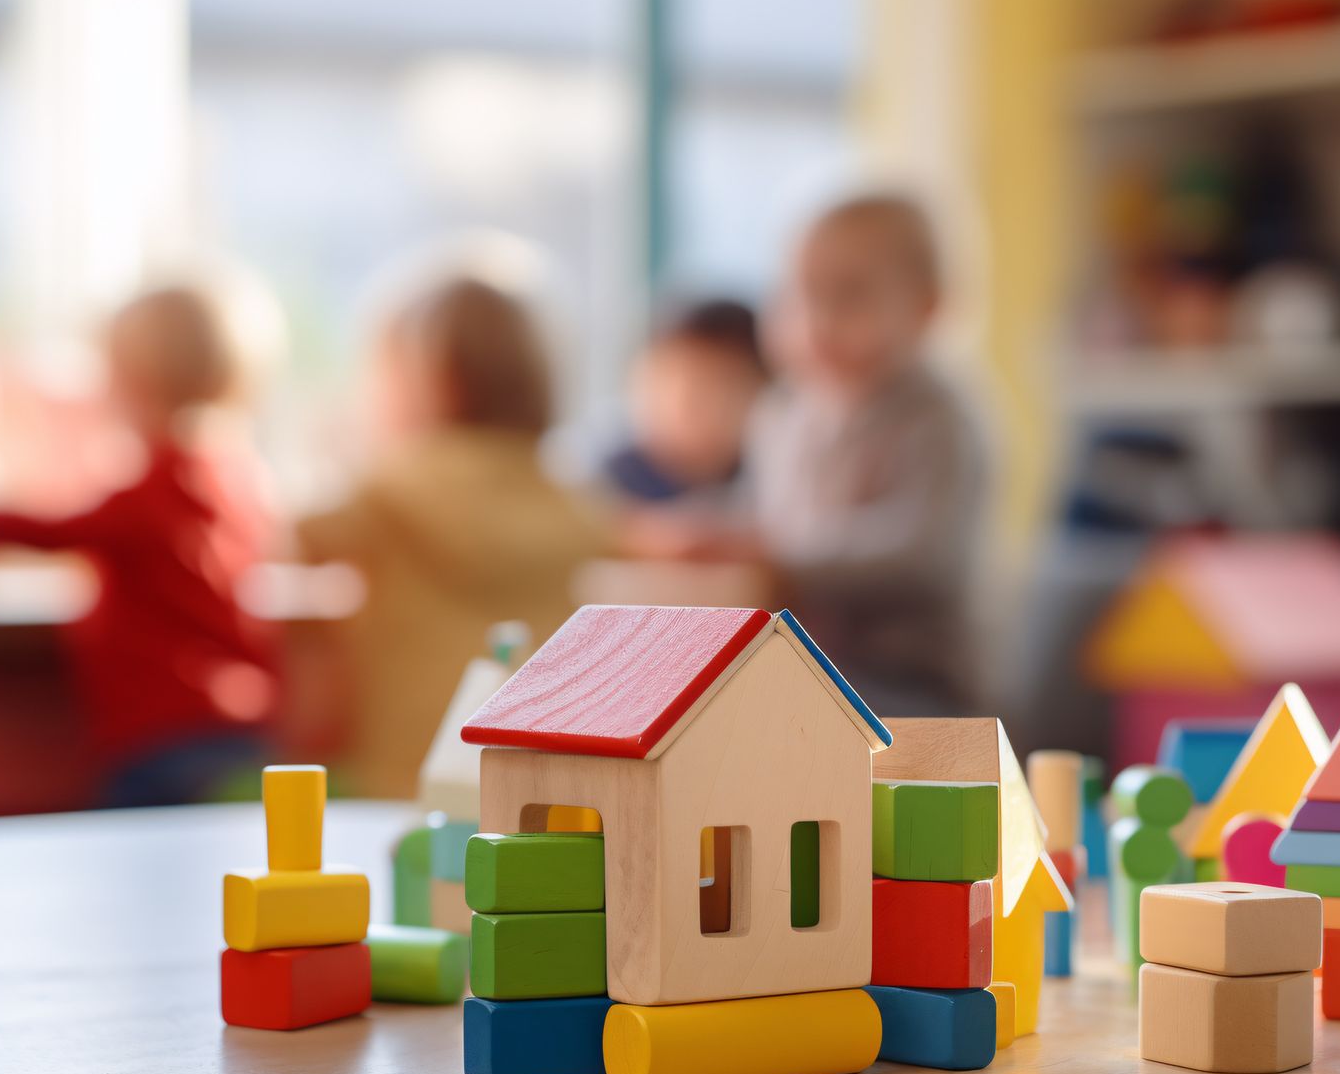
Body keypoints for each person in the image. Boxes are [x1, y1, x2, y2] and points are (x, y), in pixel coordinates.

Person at [297, 274, 609, 799]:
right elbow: (623, 534)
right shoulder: (567, 497)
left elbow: (299, 534)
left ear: (434, 382)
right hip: (537, 772)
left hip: (411, 770)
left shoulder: (389, 491)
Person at [0, 285, 280, 806]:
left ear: (132, 384)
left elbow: (51, 532)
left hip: (157, 739)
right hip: (242, 729)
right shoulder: (242, 480)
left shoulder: (154, 492)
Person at [747, 191, 991, 713]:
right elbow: (762, 522)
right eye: (802, 294)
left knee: (763, 711)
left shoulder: (940, 417)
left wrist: (778, 558)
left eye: (851, 294)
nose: (820, 319)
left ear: (927, 307)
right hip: (809, 664)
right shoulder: (783, 415)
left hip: (914, 683)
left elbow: (922, 555)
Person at [602, 297, 768, 509]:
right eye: (661, 385)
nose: (680, 408)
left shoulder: (771, 474)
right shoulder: (609, 479)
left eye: (712, 390)